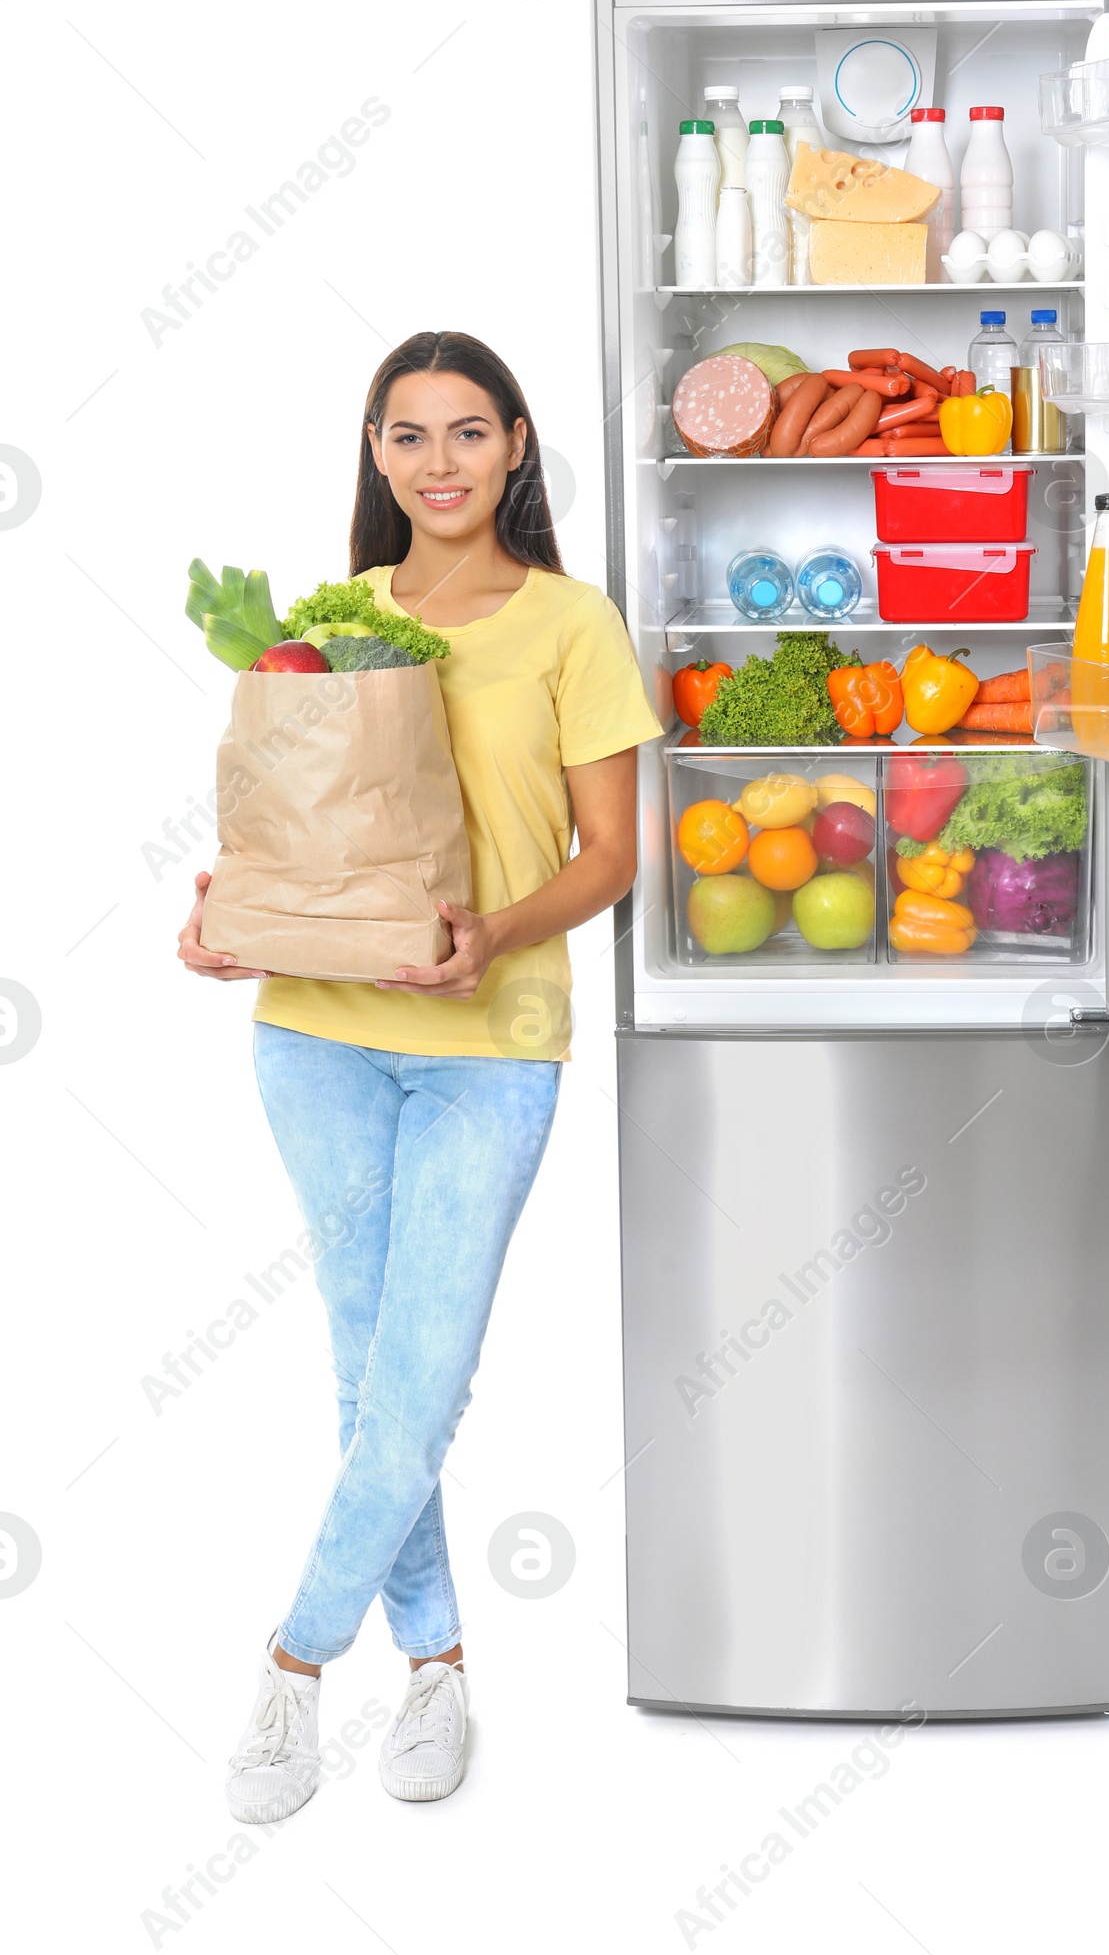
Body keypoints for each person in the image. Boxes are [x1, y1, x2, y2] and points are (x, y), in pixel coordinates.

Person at [178, 330, 661, 1819]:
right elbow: (298, 819)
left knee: (421, 1381)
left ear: (518, 447)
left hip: (491, 1042)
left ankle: (293, 1664)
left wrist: (493, 933)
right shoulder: (337, 617)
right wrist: (227, 906)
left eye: (467, 433)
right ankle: (439, 1661)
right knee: (368, 1370)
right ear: (375, 454)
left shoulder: (574, 623)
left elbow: (613, 860)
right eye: (408, 437)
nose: (437, 463)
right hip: (315, 1033)